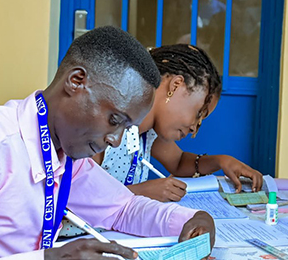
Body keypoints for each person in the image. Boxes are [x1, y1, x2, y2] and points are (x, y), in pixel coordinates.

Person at [0, 26, 215, 260]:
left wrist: (192, 219)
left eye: (125, 128)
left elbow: (122, 209)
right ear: (76, 81)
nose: (116, 140)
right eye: (114, 120)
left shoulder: (64, 152)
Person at [95, 43, 263, 199]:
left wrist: (221, 161)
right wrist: (141, 193)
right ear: (175, 85)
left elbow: (179, 162)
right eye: (198, 114)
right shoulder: (104, 128)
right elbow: (77, 198)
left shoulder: (147, 133)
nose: (194, 130)